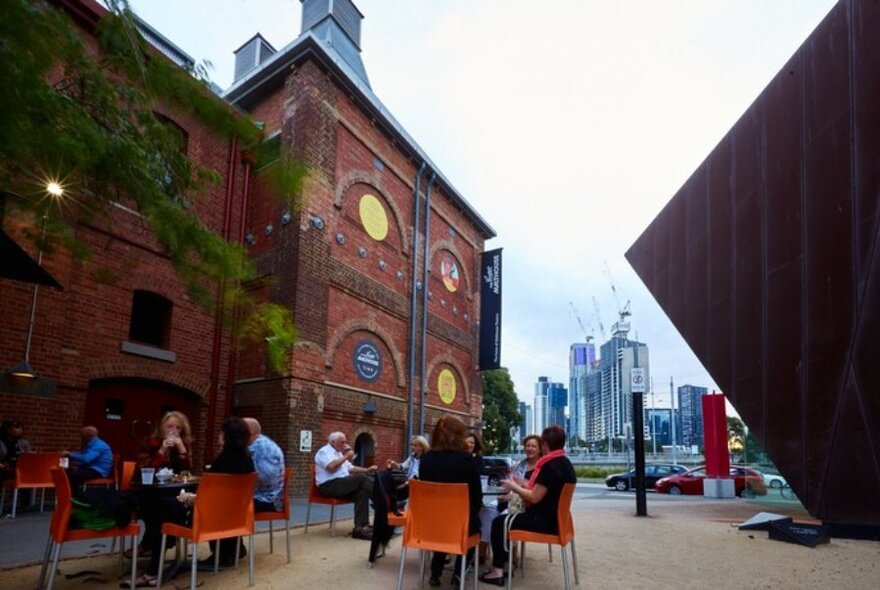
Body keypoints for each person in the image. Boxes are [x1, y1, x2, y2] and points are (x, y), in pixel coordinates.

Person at [125, 417, 256, 586]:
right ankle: (154, 552)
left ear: (225, 435)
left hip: (205, 518)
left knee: (160, 508)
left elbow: (204, 497)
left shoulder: (223, 460)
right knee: (167, 504)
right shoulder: (247, 460)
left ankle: (152, 569)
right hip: (232, 518)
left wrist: (187, 498)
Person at [480, 425, 576, 586]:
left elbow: (534, 497)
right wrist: (522, 482)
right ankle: (505, 566)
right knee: (503, 519)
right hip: (557, 520)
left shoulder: (549, 466)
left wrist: (513, 487)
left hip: (544, 521)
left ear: (545, 444)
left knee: (499, 523)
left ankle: (498, 571)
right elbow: (541, 489)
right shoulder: (564, 463)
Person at [419, 416, 482, 587]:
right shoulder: (466, 460)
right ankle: (458, 574)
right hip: (460, 525)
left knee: (442, 523)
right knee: (473, 528)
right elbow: (477, 496)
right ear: (459, 435)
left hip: (430, 526)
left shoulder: (426, 459)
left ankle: (435, 572)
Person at [478, 434, 543, 556]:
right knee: (486, 511)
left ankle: (511, 554)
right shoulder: (518, 466)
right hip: (509, 500)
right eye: (527, 445)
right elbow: (509, 485)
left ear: (540, 449)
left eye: (533, 446)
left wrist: (514, 494)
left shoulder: (542, 468)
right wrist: (505, 493)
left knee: (503, 519)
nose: (529, 448)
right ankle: (481, 553)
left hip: (526, 504)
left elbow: (536, 492)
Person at [314, 431, 377, 540]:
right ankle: (383, 500)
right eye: (341, 442)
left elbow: (350, 468)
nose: (344, 445)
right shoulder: (323, 452)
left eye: (345, 442)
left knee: (362, 493)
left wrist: (366, 469)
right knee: (361, 479)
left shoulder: (339, 453)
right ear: (333, 442)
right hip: (328, 486)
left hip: (341, 484)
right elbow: (331, 467)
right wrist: (347, 456)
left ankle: (360, 529)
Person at [243, 418, 285, 512]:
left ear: (250, 431)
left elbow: (266, 479)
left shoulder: (262, 448)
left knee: (223, 503)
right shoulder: (255, 444)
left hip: (267, 499)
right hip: (262, 496)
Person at [0, 419, 32, 487]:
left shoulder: (23, 442)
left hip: (18, 469)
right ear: (8, 429)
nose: (21, 429)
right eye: (17, 427)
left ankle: (27, 497)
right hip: (3, 469)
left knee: (29, 475)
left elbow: (30, 457)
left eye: (21, 427)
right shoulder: (1, 441)